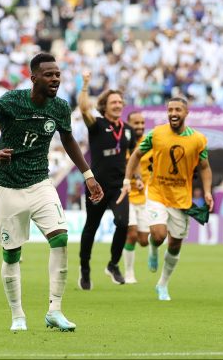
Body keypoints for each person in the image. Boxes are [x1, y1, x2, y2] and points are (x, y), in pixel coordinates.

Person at [0, 53, 103, 331]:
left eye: (57, 74)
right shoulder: (10, 101)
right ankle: (18, 316)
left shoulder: (59, 107)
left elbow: (68, 139)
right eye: (49, 74)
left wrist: (88, 174)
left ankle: (54, 311)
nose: (55, 79)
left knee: (60, 238)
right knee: (11, 253)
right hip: (8, 187)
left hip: (40, 184)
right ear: (34, 78)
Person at [117, 97, 214, 301]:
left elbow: (204, 167)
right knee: (159, 235)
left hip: (181, 199)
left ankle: (162, 284)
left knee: (175, 245)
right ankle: (153, 248)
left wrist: (207, 191)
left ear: (186, 113)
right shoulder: (156, 134)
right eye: (170, 109)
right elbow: (135, 156)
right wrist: (127, 179)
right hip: (156, 193)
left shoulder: (198, 140)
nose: (173, 113)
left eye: (178, 109)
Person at [77, 72, 137, 290]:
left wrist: (135, 177)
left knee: (123, 224)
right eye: (113, 102)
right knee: (91, 227)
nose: (118, 105)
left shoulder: (128, 131)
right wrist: (85, 85)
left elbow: (135, 158)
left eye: (120, 102)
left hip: (119, 186)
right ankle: (84, 268)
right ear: (104, 106)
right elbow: (84, 108)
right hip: (97, 186)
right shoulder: (97, 124)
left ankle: (113, 264)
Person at [123, 111, 151, 284]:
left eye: (142, 123)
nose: (140, 126)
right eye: (136, 123)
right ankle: (128, 273)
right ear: (129, 124)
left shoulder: (150, 142)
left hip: (147, 196)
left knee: (143, 241)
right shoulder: (124, 142)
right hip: (127, 194)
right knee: (132, 235)